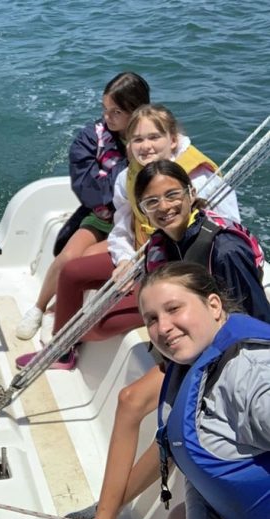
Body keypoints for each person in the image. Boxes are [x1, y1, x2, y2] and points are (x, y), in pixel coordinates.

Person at [50, 160, 269, 519]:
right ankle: (107, 511)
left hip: (225, 355)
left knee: (153, 414)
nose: (164, 206)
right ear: (141, 210)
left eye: (172, 195)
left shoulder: (225, 247)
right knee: (141, 407)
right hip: (190, 351)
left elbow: (257, 323)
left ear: (190, 193)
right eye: (151, 201)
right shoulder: (161, 245)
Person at [18, 103, 240, 371]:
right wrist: (123, 260)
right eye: (137, 139)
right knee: (72, 271)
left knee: (98, 325)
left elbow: (229, 227)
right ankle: (62, 351)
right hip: (141, 256)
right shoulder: (128, 177)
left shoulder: (199, 177)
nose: (145, 146)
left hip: (179, 270)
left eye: (154, 137)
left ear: (173, 139)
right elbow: (122, 226)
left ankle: (76, 335)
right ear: (128, 144)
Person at [138, 262, 270, 519]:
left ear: (214, 305)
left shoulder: (251, 376)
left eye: (173, 309)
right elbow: (199, 469)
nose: (163, 327)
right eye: (151, 319)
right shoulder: (193, 371)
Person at [16, 72, 150, 342]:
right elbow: (89, 191)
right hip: (103, 215)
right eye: (105, 109)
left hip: (138, 221)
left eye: (116, 111)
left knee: (86, 257)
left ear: (136, 111)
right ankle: (40, 307)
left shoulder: (150, 138)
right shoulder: (91, 139)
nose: (107, 117)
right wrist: (126, 169)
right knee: (68, 258)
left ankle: (58, 309)